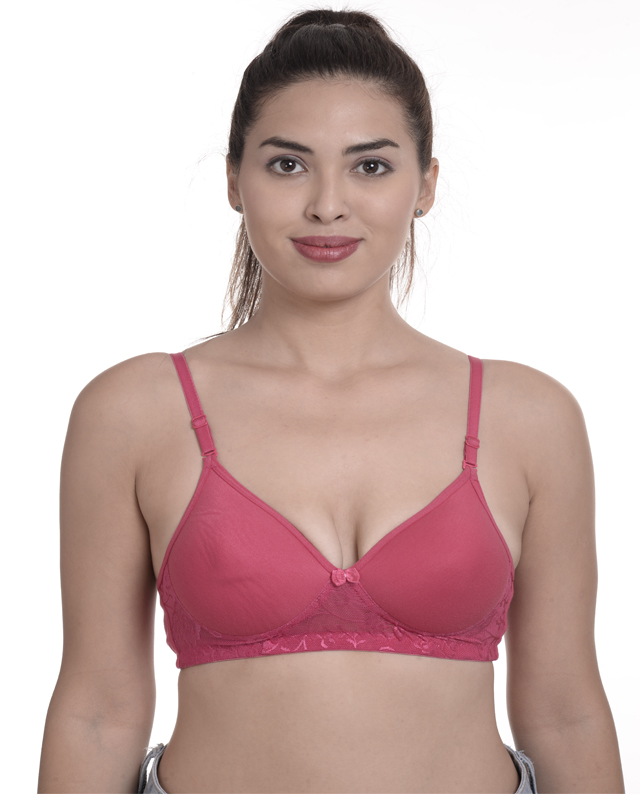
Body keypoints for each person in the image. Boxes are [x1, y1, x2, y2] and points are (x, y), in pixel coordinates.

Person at [37, 8, 625, 794]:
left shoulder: (528, 418)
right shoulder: (135, 412)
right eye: (287, 165)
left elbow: (565, 713)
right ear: (234, 181)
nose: (326, 205)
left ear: (426, 185)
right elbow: (98, 711)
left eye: (370, 166)